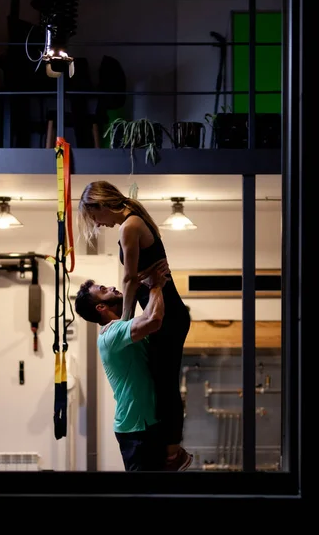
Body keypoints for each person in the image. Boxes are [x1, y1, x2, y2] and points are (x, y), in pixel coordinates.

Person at [77, 181, 192, 471]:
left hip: (169, 315)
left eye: (94, 217)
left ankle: (173, 453)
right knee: (159, 377)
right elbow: (134, 280)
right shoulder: (133, 222)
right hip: (167, 312)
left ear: (101, 205)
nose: (97, 224)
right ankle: (172, 449)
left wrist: (125, 320)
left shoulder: (129, 225)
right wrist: (130, 315)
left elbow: (129, 279)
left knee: (164, 381)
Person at [75, 261, 173, 471]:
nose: (110, 287)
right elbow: (154, 319)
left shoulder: (121, 328)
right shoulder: (111, 334)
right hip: (135, 430)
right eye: (103, 290)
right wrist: (155, 285)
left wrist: (138, 283)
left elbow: (142, 316)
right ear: (101, 307)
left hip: (146, 425)